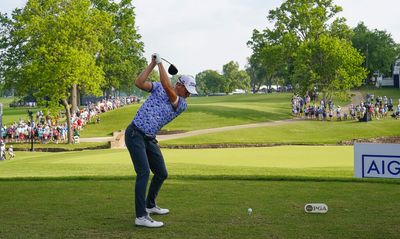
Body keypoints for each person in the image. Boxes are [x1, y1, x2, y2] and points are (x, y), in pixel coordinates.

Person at [125, 53, 197, 228]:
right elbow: (139, 83)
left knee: (161, 173)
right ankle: (141, 216)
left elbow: (167, 85)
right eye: (187, 90)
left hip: (149, 138)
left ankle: (150, 205)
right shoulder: (158, 87)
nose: (188, 94)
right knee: (143, 173)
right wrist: (151, 64)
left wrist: (160, 64)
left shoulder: (181, 103)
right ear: (179, 85)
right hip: (135, 133)